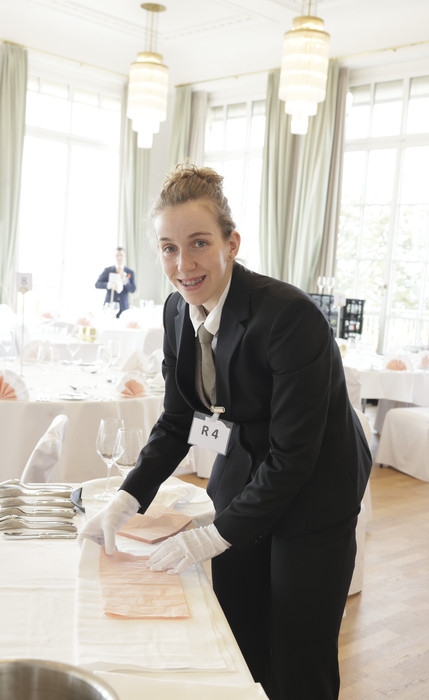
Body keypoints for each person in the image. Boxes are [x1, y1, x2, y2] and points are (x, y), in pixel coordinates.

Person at [80, 163, 372, 700]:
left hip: (315, 484)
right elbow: (178, 421)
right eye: (168, 248)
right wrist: (126, 499)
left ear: (231, 244)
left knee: (298, 649)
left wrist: (211, 536)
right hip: (245, 468)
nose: (183, 264)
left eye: (199, 243)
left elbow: (293, 457)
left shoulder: (289, 317)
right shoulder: (176, 310)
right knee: (238, 629)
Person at [95, 247, 136, 317]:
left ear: (125, 256)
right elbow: (97, 284)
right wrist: (109, 285)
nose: (119, 257)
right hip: (109, 305)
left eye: (121, 255)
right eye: (117, 255)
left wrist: (126, 282)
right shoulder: (108, 270)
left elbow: (133, 289)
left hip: (124, 307)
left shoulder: (130, 272)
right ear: (114, 256)